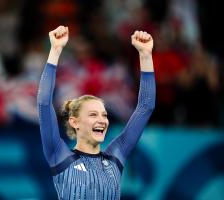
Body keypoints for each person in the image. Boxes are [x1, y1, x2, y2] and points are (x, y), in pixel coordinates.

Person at [37, 25, 156, 199]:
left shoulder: (116, 156)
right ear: (74, 122)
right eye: (93, 114)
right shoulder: (59, 155)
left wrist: (145, 56)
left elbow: (146, 106)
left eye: (104, 115)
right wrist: (55, 51)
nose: (102, 120)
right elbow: (43, 103)